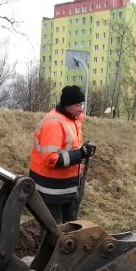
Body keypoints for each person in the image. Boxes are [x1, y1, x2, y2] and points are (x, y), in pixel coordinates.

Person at [29, 85, 97, 224]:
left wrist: (82, 153)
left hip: (65, 189)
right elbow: (50, 159)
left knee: (68, 229)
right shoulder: (54, 123)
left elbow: (69, 148)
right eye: (78, 104)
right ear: (68, 104)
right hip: (51, 191)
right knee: (53, 230)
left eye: (81, 104)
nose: (81, 108)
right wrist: (80, 154)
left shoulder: (71, 120)